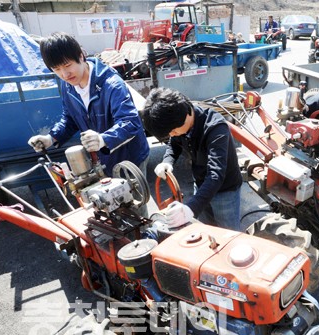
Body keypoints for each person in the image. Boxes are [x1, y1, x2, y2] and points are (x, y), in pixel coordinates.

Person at [28, 32, 150, 180]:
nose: (65, 74)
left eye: (67, 65)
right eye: (57, 69)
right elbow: (70, 118)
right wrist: (51, 138)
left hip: (128, 159)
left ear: (80, 56)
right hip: (101, 159)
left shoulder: (111, 84)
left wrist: (103, 139)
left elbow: (131, 122)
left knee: (131, 200)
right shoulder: (68, 86)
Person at [140, 87, 242, 231]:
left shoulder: (215, 128)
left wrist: (190, 208)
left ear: (187, 115)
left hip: (225, 191)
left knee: (229, 235)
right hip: (201, 185)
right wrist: (167, 161)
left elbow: (215, 175)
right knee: (205, 231)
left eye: (174, 131)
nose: (173, 134)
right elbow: (173, 143)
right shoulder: (179, 122)